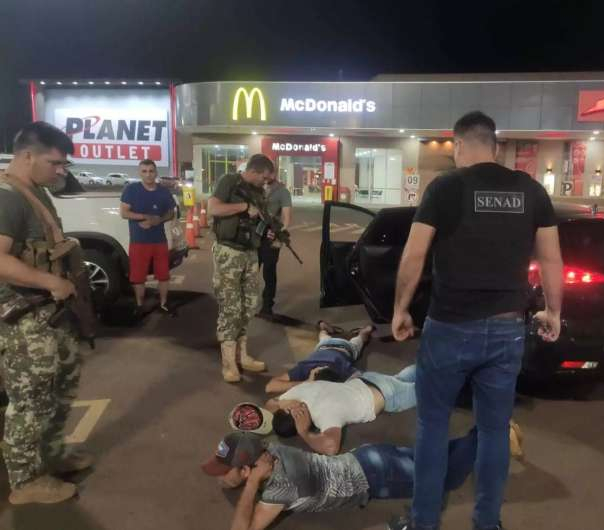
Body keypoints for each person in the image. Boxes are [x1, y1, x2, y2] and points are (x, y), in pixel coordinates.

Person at [390, 111, 563, 530]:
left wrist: (400, 309)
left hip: (450, 326)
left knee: (433, 427)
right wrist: (554, 310)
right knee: (492, 430)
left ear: (460, 145)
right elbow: (551, 258)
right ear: (495, 146)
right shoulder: (531, 190)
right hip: (507, 329)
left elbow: (414, 255)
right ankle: (487, 522)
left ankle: (423, 522)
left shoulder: (447, 187)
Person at [0, 122, 93, 504]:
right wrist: (50, 282)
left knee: (60, 392)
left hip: (51, 315)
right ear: (27, 156)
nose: (61, 171)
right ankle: (25, 480)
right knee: (31, 400)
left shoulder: (34, 192)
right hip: (25, 318)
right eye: (55, 162)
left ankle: (51, 457)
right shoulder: (8, 197)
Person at [201, 425, 523, 530]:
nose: (222, 478)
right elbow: (231, 476)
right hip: (369, 456)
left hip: (377, 476)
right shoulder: (267, 447)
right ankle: (484, 432)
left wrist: (253, 483)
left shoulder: (282, 485)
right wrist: (242, 476)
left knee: (445, 478)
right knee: (434, 462)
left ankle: (493, 431)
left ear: (248, 469)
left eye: (227, 469)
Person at [208, 154, 273, 383]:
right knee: (230, 308)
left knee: (249, 305)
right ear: (255, 171)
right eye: (264, 178)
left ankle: (242, 355)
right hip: (229, 252)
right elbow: (213, 208)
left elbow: (258, 224)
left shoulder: (259, 192)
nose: (265, 182)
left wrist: (268, 232)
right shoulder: (229, 181)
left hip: (250, 254)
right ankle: (228, 364)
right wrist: (244, 206)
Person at [264, 364, 419, 455]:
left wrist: (304, 433)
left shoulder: (324, 414)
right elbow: (270, 404)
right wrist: (281, 404)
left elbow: (331, 447)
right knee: (407, 377)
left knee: (436, 389)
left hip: (388, 395)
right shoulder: (298, 393)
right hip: (370, 380)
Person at [119, 159, 177, 315]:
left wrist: (159, 219)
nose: (148, 174)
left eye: (151, 171)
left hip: (159, 241)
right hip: (139, 241)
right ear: (140, 173)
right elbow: (124, 213)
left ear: (156, 172)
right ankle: (139, 305)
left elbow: (171, 212)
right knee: (138, 276)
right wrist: (145, 217)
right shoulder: (131, 190)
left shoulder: (163, 192)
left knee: (163, 275)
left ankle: (164, 304)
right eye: (144, 171)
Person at [265, 320, 375, 394]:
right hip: (329, 346)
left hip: (342, 348)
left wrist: (306, 383)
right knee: (325, 338)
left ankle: (363, 332)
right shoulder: (307, 367)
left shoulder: (342, 369)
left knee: (356, 341)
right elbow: (269, 387)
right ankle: (363, 332)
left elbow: (270, 387)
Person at [256, 166, 292, 318]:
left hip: (271, 237)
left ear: (274, 173)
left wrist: (279, 232)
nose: (265, 175)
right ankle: (245, 304)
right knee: (250, 271)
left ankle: (267, 306)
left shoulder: (282, 191)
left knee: (269, 272)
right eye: (264, 173)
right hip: (254, 236)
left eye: (269, 173)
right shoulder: (256, 188)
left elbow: (287, 216)